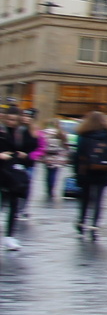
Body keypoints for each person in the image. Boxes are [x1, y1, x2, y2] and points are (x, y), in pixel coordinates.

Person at [0, 106, 42, 251]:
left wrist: (26, 156)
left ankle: (10, 237)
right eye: (10, 119)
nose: (12, 122)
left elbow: (34, 148)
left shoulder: (21, 133)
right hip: (2, 169)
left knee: (14, 203)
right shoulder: (1, 130)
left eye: (15, 120)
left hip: (12, 172)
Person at [73, 112, 107, 233]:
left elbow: (77, 156)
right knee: (99, 199)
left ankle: (82, 221)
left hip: (86, 172)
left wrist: (77, 173)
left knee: (85, 198)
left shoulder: (84, 136)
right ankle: (95, 224)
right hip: (103, 172)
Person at [38, 115, 68, 203]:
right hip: (57, 157)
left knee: (47, 173)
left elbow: (41, 145)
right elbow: (65, 146)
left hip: (47, 156)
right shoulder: (61, 133)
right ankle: (52, 188)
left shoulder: (44, 133)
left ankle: (48, 188)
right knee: (54, 173)